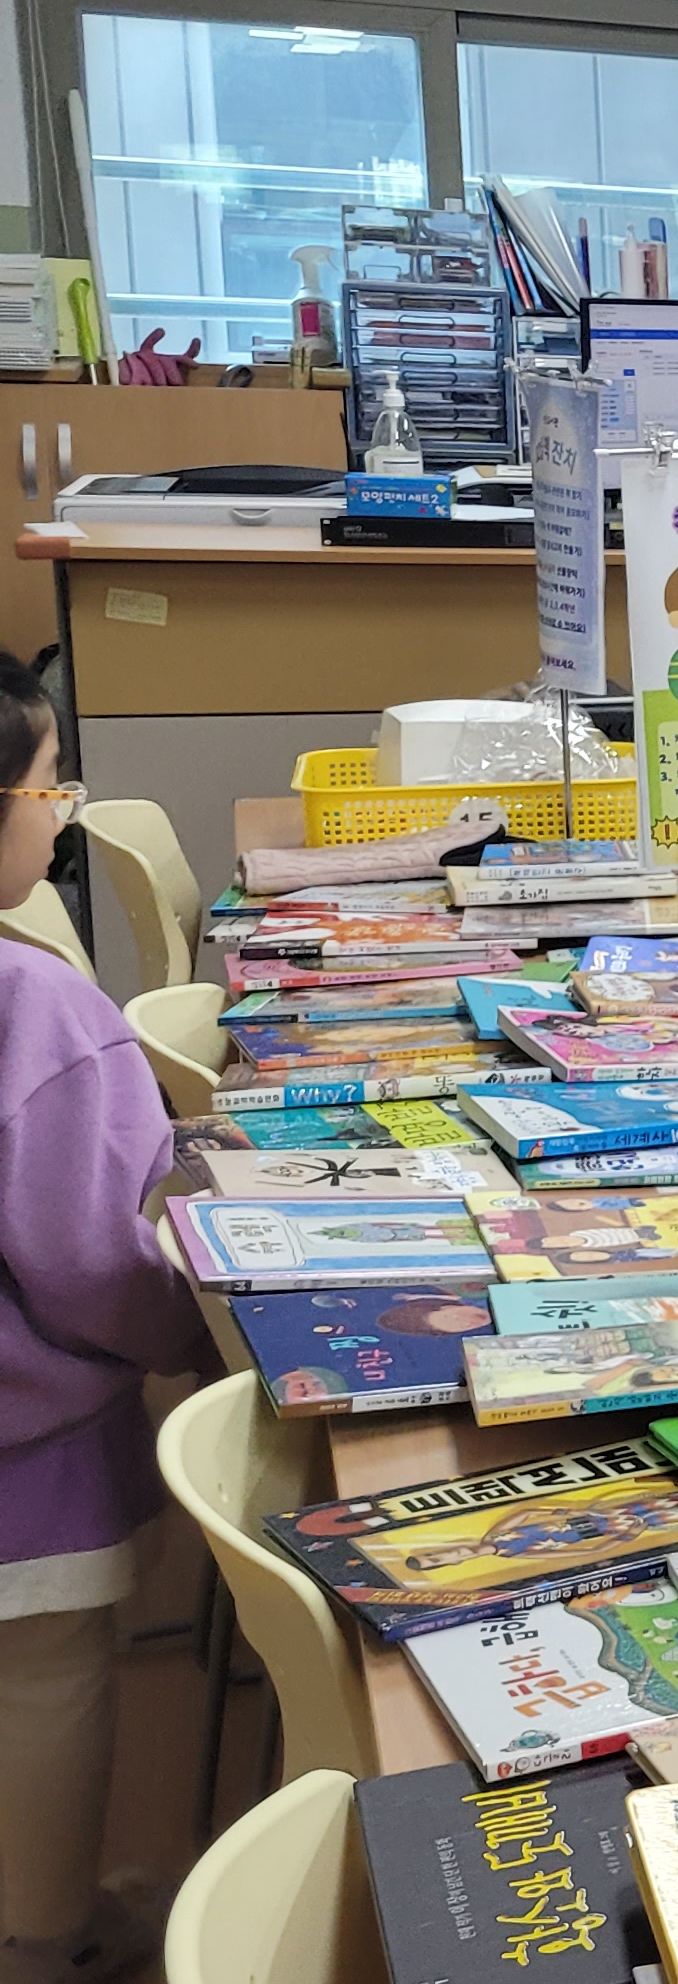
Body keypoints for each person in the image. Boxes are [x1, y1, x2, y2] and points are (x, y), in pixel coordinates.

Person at [0, 651, 201, 1984]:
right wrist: (205, 1343)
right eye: (46, 781)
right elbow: (99, 1262)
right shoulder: (37, 1010)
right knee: (48, 1684)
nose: (61, 810)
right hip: (25, 1469)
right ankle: (46, 1939)